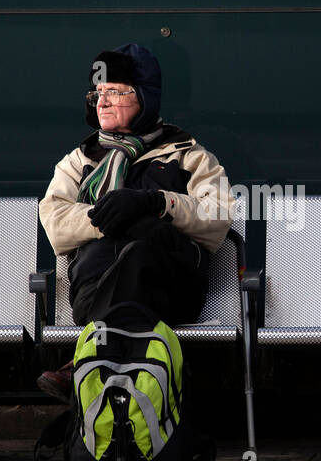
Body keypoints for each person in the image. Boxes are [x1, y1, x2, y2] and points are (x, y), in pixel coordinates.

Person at [37, 43, 233, 403]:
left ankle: (83, 364)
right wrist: (111, 218)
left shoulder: (188, 154)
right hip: (94, 289)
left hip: (170, 292)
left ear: (145, 97)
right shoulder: (80, 160)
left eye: (114, 92)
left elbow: (218, 218)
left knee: (141, 253)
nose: (102, 102)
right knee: (134, 246)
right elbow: (55, 222)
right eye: (97, 93)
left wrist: (158, 203)